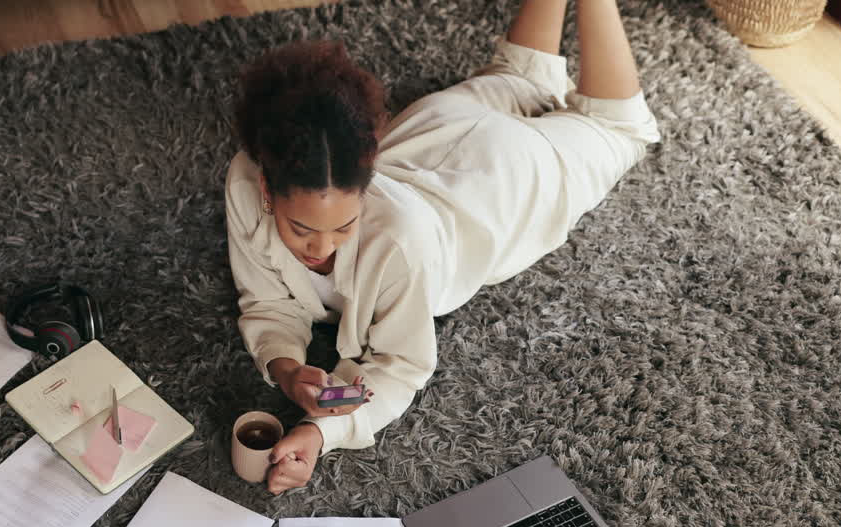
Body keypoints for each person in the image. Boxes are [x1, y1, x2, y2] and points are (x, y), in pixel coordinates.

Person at [226, 0, 660, 495]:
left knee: (620, 127)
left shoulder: (400, 244)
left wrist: (323, 433)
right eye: (302, 228)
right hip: (436, 128)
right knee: (516, 75)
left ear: (365, 186)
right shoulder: (244, 179)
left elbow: (400, 367)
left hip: (507, 178)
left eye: (344, 225)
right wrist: (286, 371)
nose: (320, 248)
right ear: (266, 189)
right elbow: (265, 302)